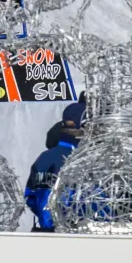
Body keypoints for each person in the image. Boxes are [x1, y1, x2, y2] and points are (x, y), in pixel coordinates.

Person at [24, 99, 85, 232]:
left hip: (46, 234)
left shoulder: (44, 157)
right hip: (78, 235)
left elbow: (30, 196)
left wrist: (45, 217)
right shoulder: (83, 160)